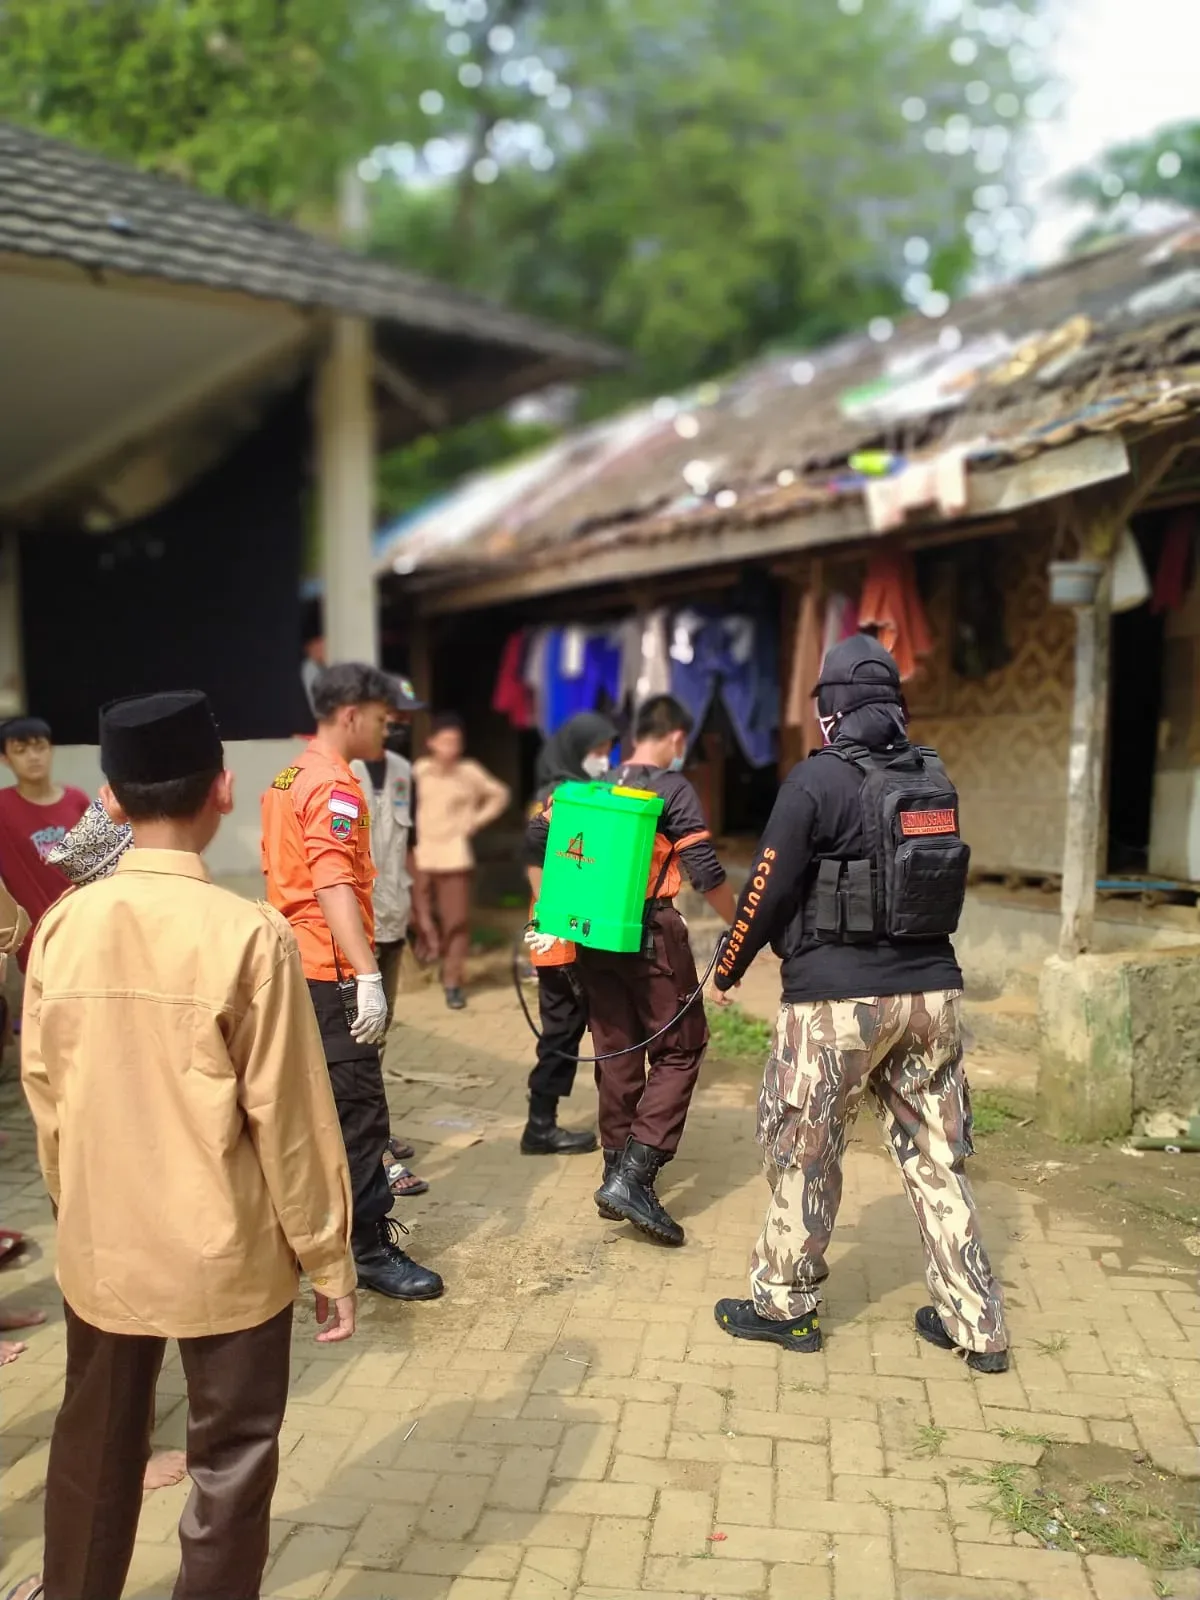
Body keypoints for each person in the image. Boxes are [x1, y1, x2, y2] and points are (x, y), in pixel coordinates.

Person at [17, 691, 358, 1600]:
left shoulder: (60, 929)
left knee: (92, 1445)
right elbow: (290, 1122)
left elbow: (45, 1101)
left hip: (103, 1245)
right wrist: (328, 1258)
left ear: (113, 803)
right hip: (229, 1252)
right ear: (224, 790)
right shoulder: (250, 935)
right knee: (231, 1463)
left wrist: (73, 1205)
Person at [709, 634, 1009, 1372]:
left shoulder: (816, 782)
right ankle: (978, 1328)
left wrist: (726, 966)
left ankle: (784, 1306)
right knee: (939, 1158)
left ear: (831, 713)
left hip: (836, 1008)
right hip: (933, 997)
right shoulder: (933, 780)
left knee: (806, 1147)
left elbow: (766, 890)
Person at [260, 662, 443, 1301]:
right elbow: (332, 880)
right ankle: (367, 1247)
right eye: (382, 716)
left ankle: (313, 1234)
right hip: (330, 970)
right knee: (359, 1111)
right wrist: (367, 974)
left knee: (316, 1110)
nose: (388, 726)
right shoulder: (335, 785)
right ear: (350, 714)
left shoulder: (288, 775)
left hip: (296, 966)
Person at [528, 694, 735, 1248]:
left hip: (594, 937)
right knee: (680, 1047)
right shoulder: (672, 788)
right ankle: (634, 1178)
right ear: (673, 737)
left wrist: (554, 905)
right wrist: (741, 927)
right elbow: (704, 868)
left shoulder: (592, 791)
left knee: (617, 1048)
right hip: (650, 934)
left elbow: (536, 838)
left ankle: (613, 1170)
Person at [350, 676, 433, 1199]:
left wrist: (423, 916)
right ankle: (372, 1152)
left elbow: (411, 848)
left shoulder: (404, 772)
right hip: (351, 930)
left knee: (379, 1035)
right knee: (357, 1041)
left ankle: (377, 1130)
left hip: (394, 920)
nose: (399, 724)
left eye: (406, 715)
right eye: (393, 714)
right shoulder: (341, 772)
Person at [520, 712, 616, 1157]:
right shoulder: (558, 796)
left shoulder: (582, 790)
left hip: (576, 930)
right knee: (561, 1028)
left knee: (571, 1025)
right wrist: (547, 913)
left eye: (606, 749)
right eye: (597, 750)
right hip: (559, 935)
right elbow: (535, 855)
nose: (603, 758)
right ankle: (540, 1127)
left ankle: (549, 1122)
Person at [412, 713, 510, 1010]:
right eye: (445, 741)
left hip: (455, 855)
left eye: (456, 742)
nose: (450, 748)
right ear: (431, 743)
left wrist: (476, 821)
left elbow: (500, 794)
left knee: (456, 921)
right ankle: (431, 959)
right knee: (418, 917)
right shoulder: (419, 771)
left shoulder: (469, 772)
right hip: (421, 854)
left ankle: (453, 980)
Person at [0, 717, 89, 973]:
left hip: (84, 928)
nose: (33, 756)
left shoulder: (77, 800)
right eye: (21, 750)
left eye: (39, 747)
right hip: (37, 940)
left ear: (51, 749)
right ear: (5, 758)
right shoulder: (3, 807)